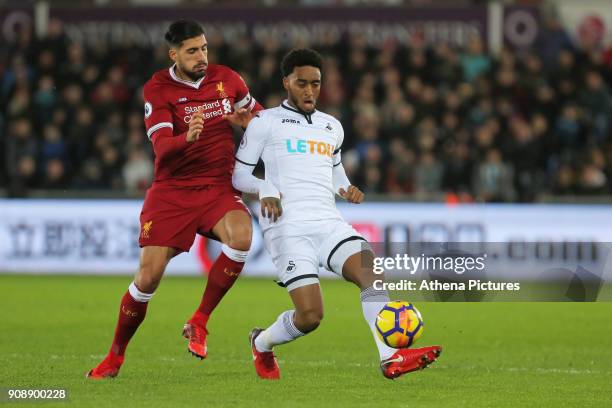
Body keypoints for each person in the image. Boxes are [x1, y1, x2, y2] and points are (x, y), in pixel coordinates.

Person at [232, 48, 442, 380]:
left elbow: (335, 172)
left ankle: (390, 357)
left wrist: (346, 188)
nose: (310, 91)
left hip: (328, 222)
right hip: (288, 228)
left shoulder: (332, 126)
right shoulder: (264, 123)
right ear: (286, 82)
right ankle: (262, 343)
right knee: (311, 316)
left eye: (316, 83)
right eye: (302, 83)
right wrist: (266, 189)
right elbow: (239, 176)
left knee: (369, 268)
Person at [87, 20, 261, 379]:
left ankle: (199, 321)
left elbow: (259, 117)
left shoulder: (228, 79)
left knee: (242, 237)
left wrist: (250, 124)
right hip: (173, 191)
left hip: (217, 186)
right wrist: (189, 137)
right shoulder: (157, 89)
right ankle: (115, 357)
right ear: (174, 54)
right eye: (192, 51)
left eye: (204, 48)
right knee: (148, 279)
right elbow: (163, 150)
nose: (201, 57)